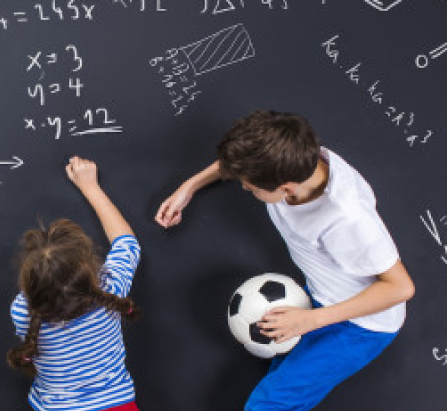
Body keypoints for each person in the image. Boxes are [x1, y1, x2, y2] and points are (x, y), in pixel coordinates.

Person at [155, 110, 416, 411]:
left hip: (360, 325)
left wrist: (310, 320)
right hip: (321, 297)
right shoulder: (295, 155)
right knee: (279, 390)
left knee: (267, 405)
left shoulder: (349, 219)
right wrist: (190, 186)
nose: (244, 188)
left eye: (251, 188)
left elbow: (400, 288)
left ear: (286, 188)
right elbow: (244, 161)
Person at [8, 156, 143, 411]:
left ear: (28, 286)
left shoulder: (22, 311)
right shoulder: (110, 288)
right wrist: (90, 186)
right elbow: (127, 242)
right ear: (91, 270)